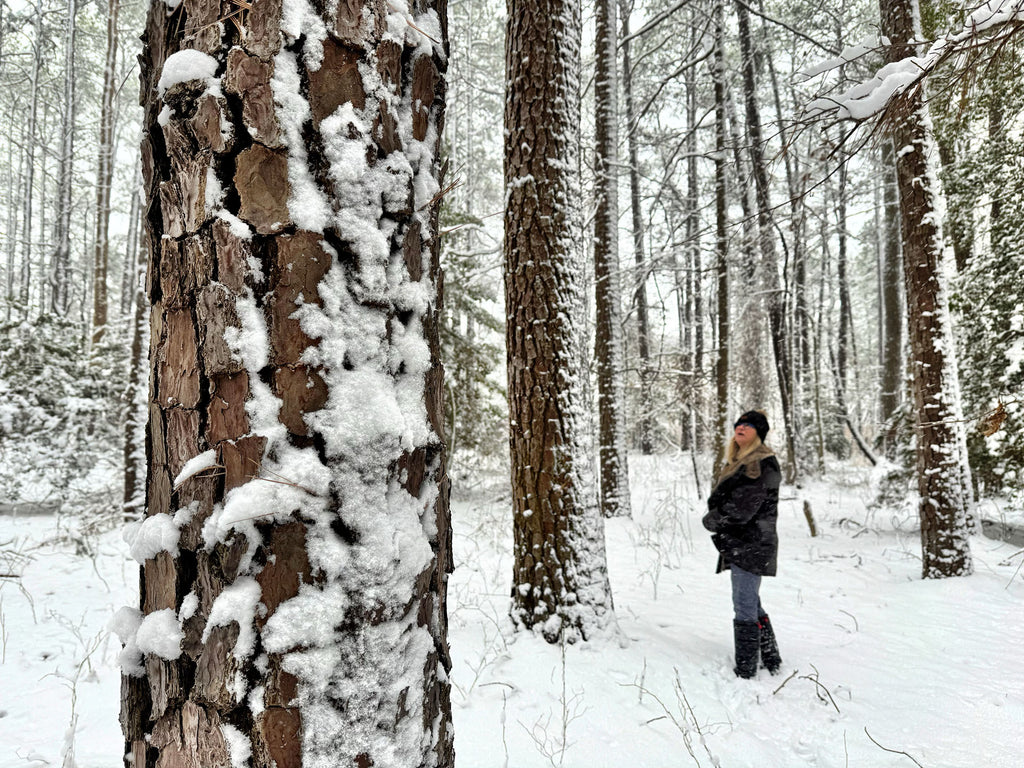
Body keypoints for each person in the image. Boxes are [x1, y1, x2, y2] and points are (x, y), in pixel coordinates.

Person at [702, 410, 783, 678]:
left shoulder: (760, 462)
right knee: (750, 599)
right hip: (743, 540)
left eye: (748, 426)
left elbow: (744, 506)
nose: (741, 428)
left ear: (758, 434)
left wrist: (714, 519)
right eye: (739, 424)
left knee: (744, 602)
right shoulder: (741, 460)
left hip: (752, 541)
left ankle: (747, 668)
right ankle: (770, 657)